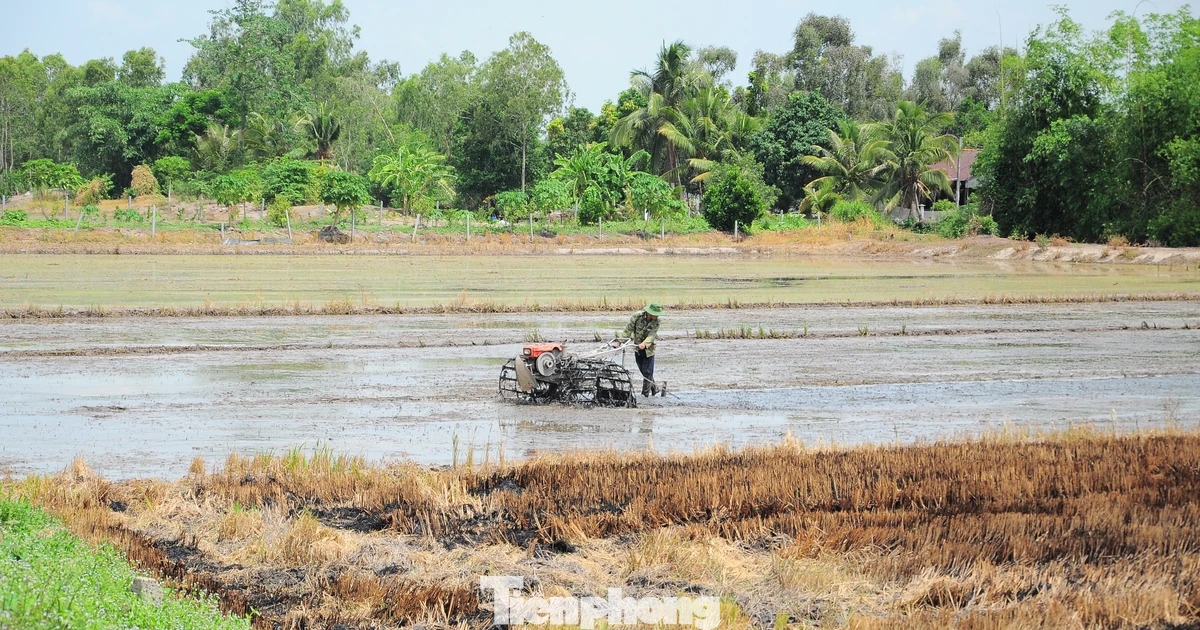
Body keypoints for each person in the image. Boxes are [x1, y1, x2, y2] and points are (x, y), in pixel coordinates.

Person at [622, 302, 664, 397]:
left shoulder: (657, 322)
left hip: (649, 349)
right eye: (656, 314)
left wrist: (644, 343)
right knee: (642, 370)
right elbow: (629, 329)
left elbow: (652, 335)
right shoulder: (637, 316)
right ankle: (655, 388)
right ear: (650, 312)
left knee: (647, 372)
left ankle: (644, 395)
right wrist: (620, 341)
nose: (657, 316)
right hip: (637, 348)